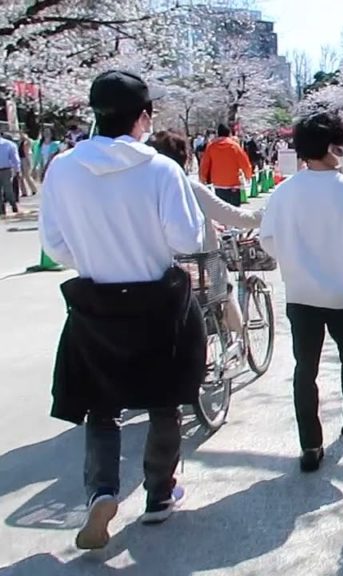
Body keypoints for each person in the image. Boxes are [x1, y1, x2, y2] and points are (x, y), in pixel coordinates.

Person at [38, 70, 207, 550]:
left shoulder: (63, 168)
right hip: (156, 301)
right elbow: (187, 239)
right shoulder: (160, 170)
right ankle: (158, 494)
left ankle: (102, 491)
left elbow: (55, 244)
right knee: (164, 400)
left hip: (96, 303)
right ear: (144, 117)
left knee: (102, 406)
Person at [260, 111, 343, 473]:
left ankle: (310, 444)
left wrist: (295, 259)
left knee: (305, 369)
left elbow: (268, 241)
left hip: (300, 295)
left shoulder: (283, 192)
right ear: (334, 146)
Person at [148, 130, 262, 337]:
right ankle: (240, 339)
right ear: (185, 157)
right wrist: (262, 216)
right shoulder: (187, 187)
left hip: (156, 273)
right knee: (224, 290)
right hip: (198, 270)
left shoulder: (143, 188)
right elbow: (231, 214)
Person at [199, 123, 253, 207]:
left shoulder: (211, 146)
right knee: (235, 210)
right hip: (233, 183)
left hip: (218, 183)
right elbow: (245, 162)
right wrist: (248, 175)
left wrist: (203, 177)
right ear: (229, 133)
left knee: (222, 210)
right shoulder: (234, 146)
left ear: (218, 133)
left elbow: (204, 164)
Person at [0, 133, 20, 217]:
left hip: (6, 169)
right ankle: (1, 209)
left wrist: (17, 169)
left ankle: (13, 204)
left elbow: (15, 158)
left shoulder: (8, 144)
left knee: (8, 189)